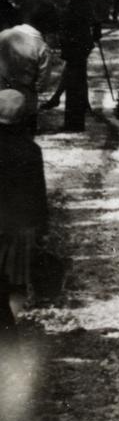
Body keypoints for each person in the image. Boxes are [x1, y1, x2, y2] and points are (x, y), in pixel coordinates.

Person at [0, 89, 47, 330]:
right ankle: (10, 326)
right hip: (18, 228)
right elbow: (37, 193)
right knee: (15, 284)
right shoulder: (30, 150)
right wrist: (42, 227)